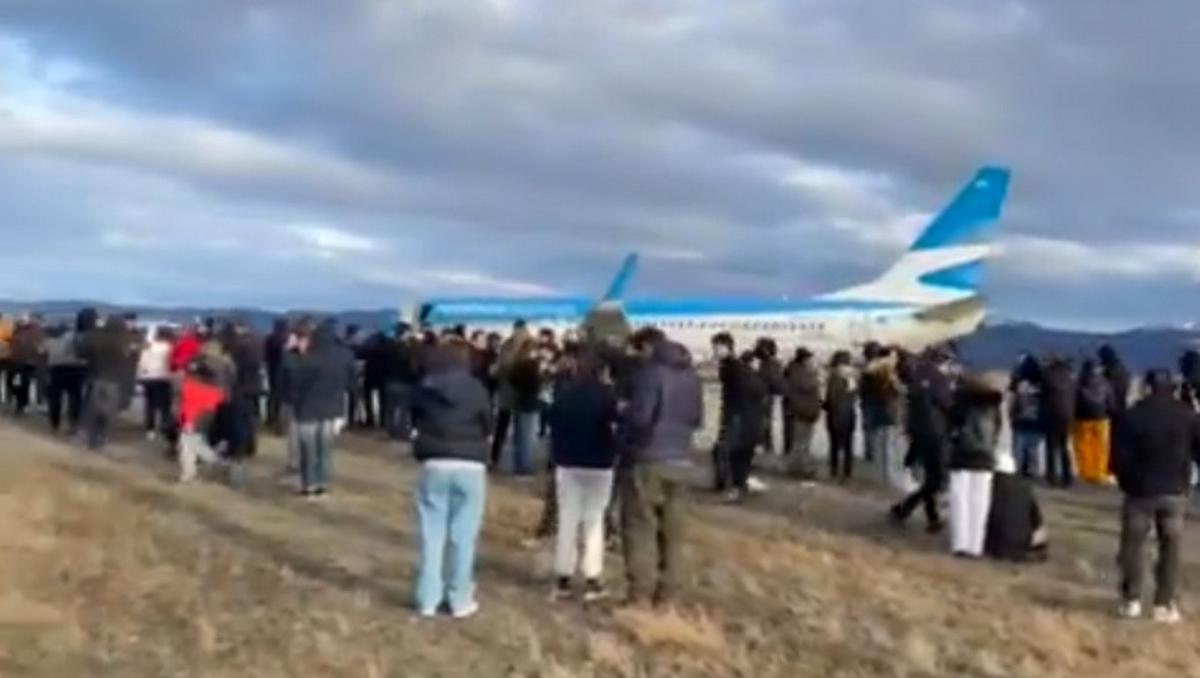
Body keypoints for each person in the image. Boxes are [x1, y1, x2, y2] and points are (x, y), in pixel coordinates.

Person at [620, 329, 703, 608]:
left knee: (640, 527)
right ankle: (668, 596)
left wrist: (623, 412)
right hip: (681, 458)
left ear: (647, 347)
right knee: (673, 533)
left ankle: (639, 596)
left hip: (649, 458)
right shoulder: (691, 376)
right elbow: (697, 418)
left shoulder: (650, 374)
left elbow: (641, 417)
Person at [410, 341, 492, 619]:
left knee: (431, 535)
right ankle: (459, 598)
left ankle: (427, 598)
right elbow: (487, 424)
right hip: (470, 463)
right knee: (463, 536)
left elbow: (415, 420)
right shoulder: (477, 389)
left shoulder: (425, 388)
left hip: (434, 461)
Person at [1111, 370, 1200, 624]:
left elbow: (1117, 457)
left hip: (1139, 490)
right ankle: (1164, 603)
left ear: (1147, 387)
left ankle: (1132, 600)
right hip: (1175, 490)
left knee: (1132, 547)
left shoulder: (1131, 416)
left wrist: (1125, 481)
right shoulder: (1188, 416)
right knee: (1170, 548)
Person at [548, 350, 619, 602]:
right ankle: (592, 578)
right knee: (594, 520)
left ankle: (562, 577)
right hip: (599, 463)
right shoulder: (608, 396)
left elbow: (551, 423)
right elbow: (616, 426)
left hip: (567, 462)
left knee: (567, 518)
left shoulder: (564, 394)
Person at [891, 347, 954, 533]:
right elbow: (947, 404)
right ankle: (924, 513)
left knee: (931, 477)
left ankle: (911, 510)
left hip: (919, 432)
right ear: (944, 361)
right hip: (936, 433)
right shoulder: (939, 379)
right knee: (936, 478)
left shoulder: (917, 376)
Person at [289, 320, 356, 496]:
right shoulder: (345, 355)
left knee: (308, 451)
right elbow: (351, 382)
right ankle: (323, 483)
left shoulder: (308, 358)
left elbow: (294, 383)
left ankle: (309, 484)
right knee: (325, 450)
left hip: (307, 408)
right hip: (332, 408)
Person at [947, 371, 1005, 558]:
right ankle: (975, 544)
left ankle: (959, 543)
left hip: (961, 456)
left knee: (959, 500)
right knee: (980, 502)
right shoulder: (994, 406)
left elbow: (950, 429)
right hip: (985, 457)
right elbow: (997, 432)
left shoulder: (959, 404)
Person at [77, 314, 141, 451]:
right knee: (109, 412)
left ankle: (92, 439)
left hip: (97, 378)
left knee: (94, 410)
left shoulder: (97, 338)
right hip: (115, 381)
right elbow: (133, 360)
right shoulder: (126, 341)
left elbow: (82, 354)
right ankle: (103, 437)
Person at [984, 454, 1048, 563]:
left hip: (997, 545)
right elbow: (1037, 519)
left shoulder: (990, 486)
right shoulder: (1025, 487)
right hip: (1022, 543)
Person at [860, 345, 905, 490]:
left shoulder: (869, 370)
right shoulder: (885, 370)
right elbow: (898, 390)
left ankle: (881, 475)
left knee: (880, 443)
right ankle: (889, 478)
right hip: (887, 410)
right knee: (889, 446)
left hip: (876, 409)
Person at [727, 350, 768, 503]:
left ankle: (738, 485)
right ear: (751, 362)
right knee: (744, 455)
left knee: (737, 455)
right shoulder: (752, 378)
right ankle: (740, 485)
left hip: (737, 420)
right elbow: (762, 392)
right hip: (750, 420)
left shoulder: (736, 377)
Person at [489, 320, 532, 467]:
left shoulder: (508, 345)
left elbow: (500, 367)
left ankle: (496, 458)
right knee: (523, 431)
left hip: (510, 391)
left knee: (504, 427)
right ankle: (521, 464)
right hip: (521, 393)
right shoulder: (530, 346)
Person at [782, 347, 822, 480]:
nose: (811, 361)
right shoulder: (800, 373)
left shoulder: (795, 371)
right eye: (810, 358)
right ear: (804, 359)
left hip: (802, 411)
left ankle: (797, 468)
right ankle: (801, 469)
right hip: (803, 412)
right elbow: (810, 386)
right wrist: (815, 375)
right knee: (802, 443)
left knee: (801, 442)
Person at [1074, 359, 1115, 484]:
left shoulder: (1079, 383)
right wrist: (1110, 413)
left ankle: (1086, 473)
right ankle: (1099, 473)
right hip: (1101, 418)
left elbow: (1074, 401)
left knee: (1083, 447)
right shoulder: (1105, 383)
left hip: (1082, 419)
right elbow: (1110, 401)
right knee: (1101, 448)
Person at [506, 339, 542, 476]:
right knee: (528, 438)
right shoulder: (532, 365)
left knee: (520, 436)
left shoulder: (517, 364)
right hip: (531, 403)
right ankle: (525, 468)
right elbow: (536, 382)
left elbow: (512, 380)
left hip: (519, 401)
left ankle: (519, 465)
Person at [1040, 355, 1076, 488]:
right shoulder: (1071, 378)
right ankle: (1067, 477)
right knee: (1064, 447)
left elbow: (1043, 397)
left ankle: (1052, 477)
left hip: (1051, 415)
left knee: (1051, 447)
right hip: (1067, 415)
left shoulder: (1047, 377)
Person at [44, 323, 86, 436]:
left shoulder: (50, 341)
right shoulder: (77, 340)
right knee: (75, 399)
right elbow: (83, 356)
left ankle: (54, 424)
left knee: (55, 399)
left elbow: (41, 351)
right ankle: (73, 424)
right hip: (74, 370)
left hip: (56, 370)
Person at [710, 333, 739, 492]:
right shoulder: (727, 365)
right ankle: (724, 481)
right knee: (722, 449)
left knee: (724, 449)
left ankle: (725, 482)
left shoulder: (733, 367)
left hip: (733, 414)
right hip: (730, 412)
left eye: (716, 348)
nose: (714, 351)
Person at [824, 350, 858, 482]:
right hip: (845, 414)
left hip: (838, 415)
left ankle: (838, 470)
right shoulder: (845, 378)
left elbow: (831, 398)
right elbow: (851, 395)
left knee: (836, 444)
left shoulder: (835, 377)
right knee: (845, 444)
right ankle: (844, 471)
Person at [1009, 354, 1044, 478]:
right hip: (1037, 420)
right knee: (1033, 448)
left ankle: (1019, 470)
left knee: (1019, 447)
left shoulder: (1021, 384)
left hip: (1021, 419)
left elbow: (1015, 401)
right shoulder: (1042, 385)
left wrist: (1012, 415)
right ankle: (1032, 471)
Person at [137, 325, 175, 440]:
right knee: (165, 406)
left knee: (150, 404)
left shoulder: (149, 346)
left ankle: (150, 430)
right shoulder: (170, 347)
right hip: (163, 377)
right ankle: (164, 428)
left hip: (147, 378)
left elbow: (142, 362)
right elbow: (171, 363)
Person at [8, 314, 45, 416]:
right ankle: (21, 403)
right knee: (12, 382)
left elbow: (40, 345)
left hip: (29, 361)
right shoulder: (16, 330)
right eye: (20, 321)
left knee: (24, 384)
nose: (21, 323)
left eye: (23, 321)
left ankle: (21, 405)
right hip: (16, 360)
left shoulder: (35, 331)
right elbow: (12, 342)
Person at [263, 318, 291, 430]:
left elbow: (266, 354)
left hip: (272, 369)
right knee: (280, 396)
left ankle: (271, 418)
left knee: (272, 395)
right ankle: (277, 419)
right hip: (282, 370)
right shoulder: (285, 340)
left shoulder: (270, 338)